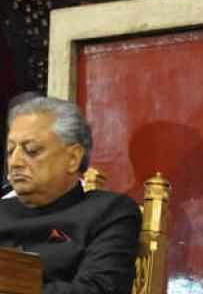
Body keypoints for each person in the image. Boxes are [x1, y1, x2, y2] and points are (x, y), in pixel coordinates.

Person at [0, 96, 141, 294]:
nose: (14, 162)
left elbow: (99, 290)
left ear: (73, 158)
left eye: (31, 151)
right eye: (10, 150)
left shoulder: (109, 212)